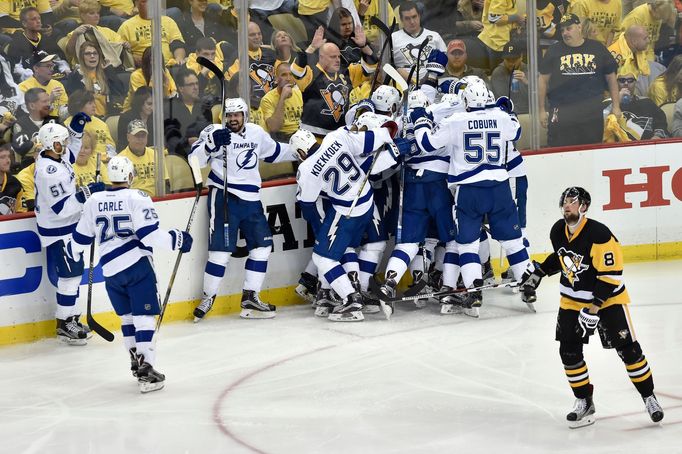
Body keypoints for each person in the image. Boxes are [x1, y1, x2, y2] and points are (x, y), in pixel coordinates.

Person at [520, 186, 664, 428]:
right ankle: (584, 401)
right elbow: (562, 256)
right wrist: (540, 272)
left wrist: (594, 308)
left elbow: (611, 275)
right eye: (564, 200)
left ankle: (649, 397)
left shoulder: (599, 234)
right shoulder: (558, 230)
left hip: (607, 301)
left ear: (583, 207)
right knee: (569, 353)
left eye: (572, 201)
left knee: (629, 351)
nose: (567, 205)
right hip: (571, 301)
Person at [68, 155, 193, 393]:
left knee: (127, 319)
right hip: (137, 266)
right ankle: (147, 368)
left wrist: (73, 253)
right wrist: (177, 239)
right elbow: (149, 235)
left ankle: (137, 363)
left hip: (110, 273)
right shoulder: (138, 197)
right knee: (144, 318)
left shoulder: (94, 200)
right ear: (130, 176)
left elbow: (79, 240)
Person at [411, 78, 535, 314]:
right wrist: (506, 108)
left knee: (466, 244)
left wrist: (420, 119)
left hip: (469, 191)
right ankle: (527, 284)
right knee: (512, 241)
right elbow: (516, 129)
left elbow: (427, 143)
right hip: (499, 187)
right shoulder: (499, 117)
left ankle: (473, 290)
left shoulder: (456, 120)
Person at [292, 113, 410, 321]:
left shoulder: (306, 169)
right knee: (353, 247)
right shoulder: (335, 137)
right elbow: (372, 140)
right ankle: (351, 292)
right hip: (366, 201)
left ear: (301, 152)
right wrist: (393, 146)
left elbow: (309, 206)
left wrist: (322, 233)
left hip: (347, 210)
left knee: (323, 257)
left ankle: (351, 300)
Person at [189, 98, 296, 321]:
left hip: (252, 200)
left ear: (245, 115)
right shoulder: (214, 132)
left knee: (263, 247)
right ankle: (208, 297)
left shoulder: (256, 133)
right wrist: (212, 144)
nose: (233, 119)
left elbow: (275, 152)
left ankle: (250, 297)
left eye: (237, 115)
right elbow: (194, 160)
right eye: (229, 115)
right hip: (225, 197)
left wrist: (302, 150)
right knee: (220, 252)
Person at [33, 115, 105, 345]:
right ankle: (64, 323)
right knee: (70, 276)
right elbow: (62, 209)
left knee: (73, 274)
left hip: (67, 228)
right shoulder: (48, 172)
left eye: (63, 142)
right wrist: (87, 193)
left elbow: (71, 153)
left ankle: (70, 317)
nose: (63, 146)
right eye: (59, 142)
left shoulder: (55, 157)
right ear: (48, 144)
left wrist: (75, 130)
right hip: (58, 230)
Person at [539, 13, 620, 147]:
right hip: (561, 114)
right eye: (562, 30)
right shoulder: (554, 51)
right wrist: (541, 110)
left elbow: (611, 78)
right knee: (559, 153)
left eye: (569, 28)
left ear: (579, 27)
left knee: (591, 153)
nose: (565, 33)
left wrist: (616, 106)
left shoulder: (597, 48)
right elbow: (542, 80)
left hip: (591, 115)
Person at [292, 30, 374, 139]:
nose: (337, 60)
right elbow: (296, 70)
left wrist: (364, 46)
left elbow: (371, 67)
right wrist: (312, 47)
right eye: (332, 57)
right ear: (321, 57)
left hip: (339, 137)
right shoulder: (311, 72)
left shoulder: (347, 72)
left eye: (338, 57)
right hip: (312, 137)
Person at [63, 41, 127, 118]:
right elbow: (75, 103)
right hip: (87, 119)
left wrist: (109, 70)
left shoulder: (106, 74)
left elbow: (120, 93)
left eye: (95, 53)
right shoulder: (76, 76)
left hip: (108, 117)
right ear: (82, 57)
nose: (92, 56)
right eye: (88, 54)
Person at [391, 1, 447, 84]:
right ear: (401, 19)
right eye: (407, 18)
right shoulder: (393, 38)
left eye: (414, 17)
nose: (412, 21)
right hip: (402, 86)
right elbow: (387, 65)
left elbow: (445, 62)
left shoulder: (434, 36)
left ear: (419, 16)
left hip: (431, 85)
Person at [603, 70, 668, 141]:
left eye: (630, 80)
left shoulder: (647, 102)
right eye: (622, 80)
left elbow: (661, 122)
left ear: (635, 82)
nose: (626, 83)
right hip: (618, 146)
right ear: (616, 83)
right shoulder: (607, 104)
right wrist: (617, 101)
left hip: (647, 145)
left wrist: (657, 136)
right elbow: (604, 126)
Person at [117, 0, 186, 66]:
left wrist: (179, 59)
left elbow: (178, 44)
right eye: (144, 1)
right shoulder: (126, 26)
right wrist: (142, 61)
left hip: (170, 66)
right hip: (142, 69)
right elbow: (121, 54)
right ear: (137, 4)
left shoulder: (168, 21)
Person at [117, 119, 169, 197]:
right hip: (132, 203)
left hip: (156, 201)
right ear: (128, 137)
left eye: (143, 136)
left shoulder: (155, 155)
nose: (140, 139)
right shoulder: (119, 160)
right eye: (137, 136)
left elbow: (165, 183)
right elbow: (119, 192)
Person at [11, 87, 60, 162]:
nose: (49, 104)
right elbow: (23, 148)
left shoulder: (55, 121)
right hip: (30, 168)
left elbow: (65, 144)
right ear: (32, 106)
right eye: (44, 102)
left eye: (48, 101)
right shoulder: (20, 124)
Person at [17, 51, 69, 120]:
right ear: (36, 68)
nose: (52, 69)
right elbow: (29, 117)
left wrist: (73, 107)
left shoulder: (57, 84)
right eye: (48, 66)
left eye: (52, 66)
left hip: (57, 124)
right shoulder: (24, 88)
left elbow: (62, 113)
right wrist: (49, 100)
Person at [122, 47, 177, 111]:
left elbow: (172, 93)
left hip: (158, 108)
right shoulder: (136, 76)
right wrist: (153, 79)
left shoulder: (165, 72)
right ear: (146, 63)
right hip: (134, 110)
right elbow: (145, 100)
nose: (155, 65)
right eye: (152, 61)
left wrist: (165, 85)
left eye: (158, 61)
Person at [477, 0, 526, 72]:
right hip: (496, 42)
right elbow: (495, 19)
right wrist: (516, 18)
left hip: (505, 40)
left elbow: (510, 10)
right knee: (501, 73)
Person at [260, 62, 303, 142]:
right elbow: (274, 127)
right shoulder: (267, 99)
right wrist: (282, 98)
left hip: (299, 135)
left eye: (291, 75)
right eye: (284, 75)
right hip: (280, 137)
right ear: (276, 79)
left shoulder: (298, 93)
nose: (288, 78)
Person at [491, 39, 528, 113]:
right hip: (507, 113)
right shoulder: (498, 73)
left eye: (514, 59)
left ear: (521, 57)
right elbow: (503, 101)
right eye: (508, 59)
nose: (511, 63)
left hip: (530, 111)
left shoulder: (529, 70)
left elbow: (538, 98)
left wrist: (527, 83)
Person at [0, 143, 24, 215]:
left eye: (8, 156)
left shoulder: (15, 183)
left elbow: (22, 213)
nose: (8, 161)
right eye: (3, 157)